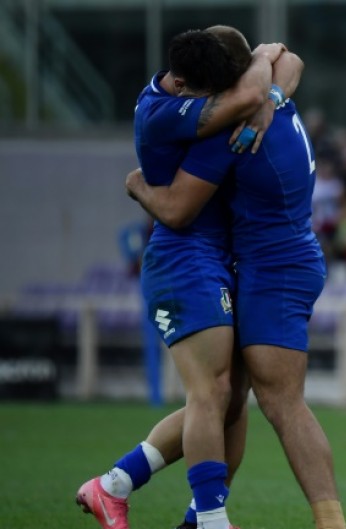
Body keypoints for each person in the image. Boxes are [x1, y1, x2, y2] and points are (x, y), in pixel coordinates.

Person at [76, 26, 301, 529]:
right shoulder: (165, 117)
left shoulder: (197, 85)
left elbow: (285, 59)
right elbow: (177, 213)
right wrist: (139, 188)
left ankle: (118, 486)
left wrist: (270, 97)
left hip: (220, 257)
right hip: (184, 259)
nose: (221, 103)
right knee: (211, 392)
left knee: (230, 396)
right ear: (181, 85)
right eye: (211, 96)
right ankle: (212, 520)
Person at [124, 27, 346, 529]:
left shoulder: (227, 129)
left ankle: (326, 522)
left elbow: (179, 211)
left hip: (272, 269)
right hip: (284, 258)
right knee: (226, 396)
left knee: (272, 401)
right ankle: (148, 495)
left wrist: (138, 185)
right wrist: (270, 92)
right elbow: (281, 55)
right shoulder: (273, 97)